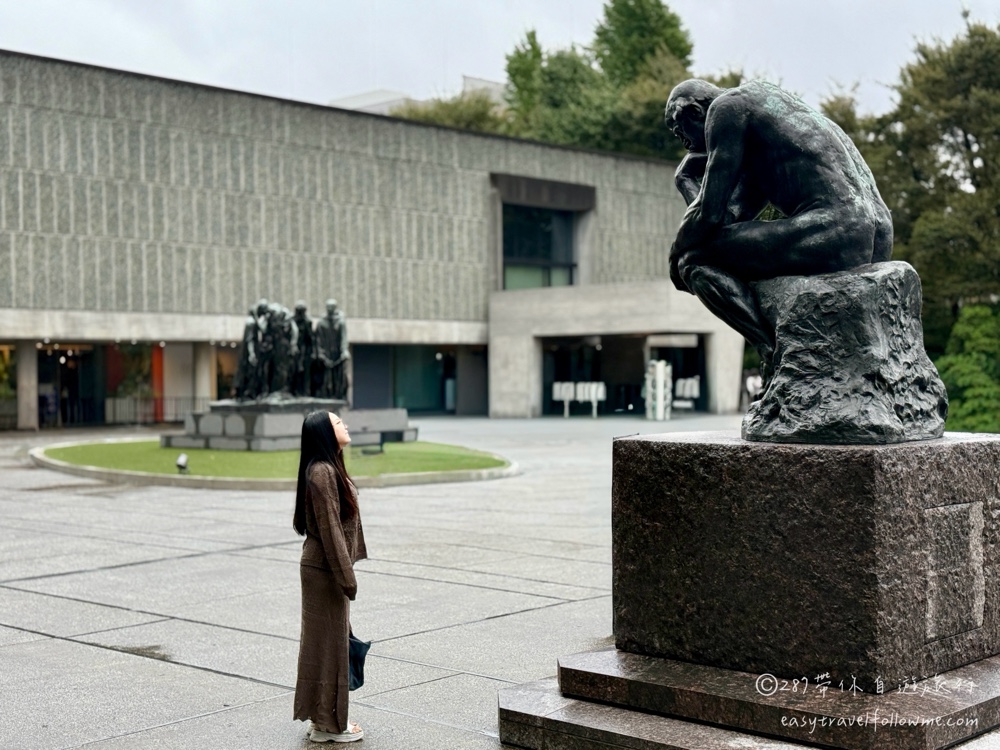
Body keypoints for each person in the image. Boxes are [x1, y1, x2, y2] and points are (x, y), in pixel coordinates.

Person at [663, 78, 893, 375]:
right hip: (875, 233)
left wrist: (675, 251)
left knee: (691, 263)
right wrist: (685, 181)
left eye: (680, 131)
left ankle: (772, 351)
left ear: (695, 112)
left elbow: (709, 215)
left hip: (835, 227)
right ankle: (777, 350)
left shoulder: (726, 109)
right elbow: (727, 221)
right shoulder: (764, 111)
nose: (685, 144)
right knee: (705, 252)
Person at [293, 410, 367, 743]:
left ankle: (323, 719)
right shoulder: (321, 472)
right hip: (324, 570)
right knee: (330, 647)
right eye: (338, 422)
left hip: (324, 568)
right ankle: (331, 726)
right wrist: (347, 577)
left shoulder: (327, 468)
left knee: (325, 645)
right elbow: (331, 529)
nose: (345, 425)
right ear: (325, 431)